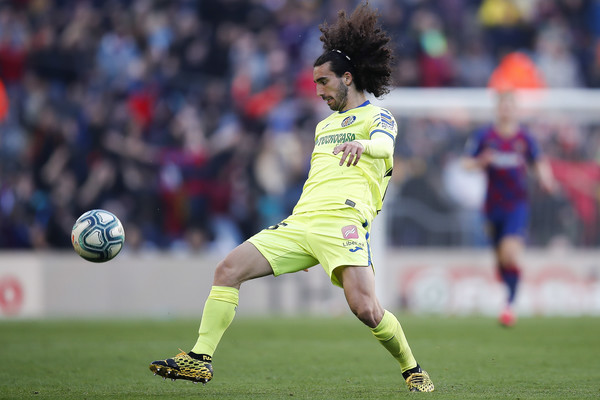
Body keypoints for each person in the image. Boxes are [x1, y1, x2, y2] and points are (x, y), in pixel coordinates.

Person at [149, 2, 435, 393]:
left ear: (347, 78)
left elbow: (385, 149)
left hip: (343, 223)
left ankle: (412, 367)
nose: (318, 91)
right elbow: (318, 179)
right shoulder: (323, 127)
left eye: (324, 82)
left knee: (366, 309)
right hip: (302, 224)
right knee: (227, 270)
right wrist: (304, 239)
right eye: (315, 83)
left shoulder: (377, 118)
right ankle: (200, 359)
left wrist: (362, 145)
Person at [462, 90, 556, 327]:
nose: (506, 110)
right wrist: (480, 162)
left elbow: (539, 162)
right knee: (501, 258)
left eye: (510, 106)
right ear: (497, 109)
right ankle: (508, 290)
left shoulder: (524, 138)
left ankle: (509, 306)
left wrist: (546, 179)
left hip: (517, 204)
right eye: (502, 106)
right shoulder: (485, 136)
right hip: (492, 205)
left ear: (515, 110)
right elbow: (466, 163)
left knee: (509, 253)